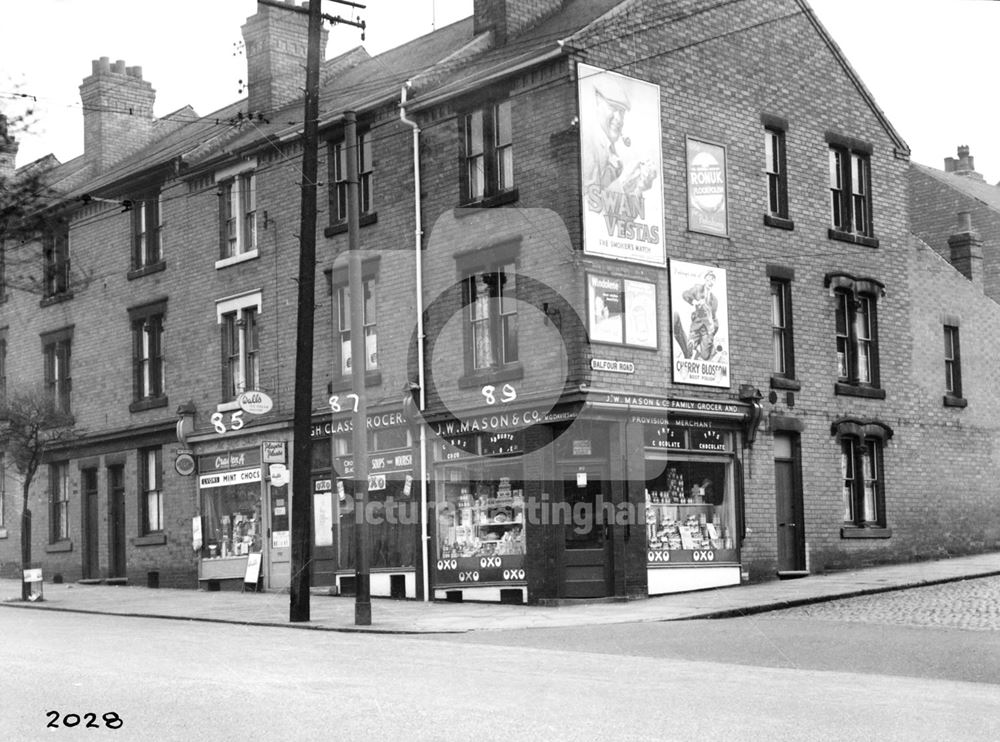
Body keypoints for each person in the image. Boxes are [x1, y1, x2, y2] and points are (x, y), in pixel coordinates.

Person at [581, 74, 657, 196]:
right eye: (613, 108)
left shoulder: (613, 154)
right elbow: (588, 201)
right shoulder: (587, 144)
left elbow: (620, 211)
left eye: (621, 112)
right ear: (597, 103)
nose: (619, 119)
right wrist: (622, 182)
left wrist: (638, 185)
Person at [674, 271, 719, 360]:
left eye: (713, 280)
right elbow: (685, 294)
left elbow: (714, 317)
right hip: (696, 326)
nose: (711, 282)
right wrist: (694, 301)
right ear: (706, 279)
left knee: (705, 356)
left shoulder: (714, 300)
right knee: (688, 349)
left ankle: (707, 348)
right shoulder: (698, 289)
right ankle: (693, 344)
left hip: (706, 330)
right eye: (709, 279)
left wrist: (713, 330)